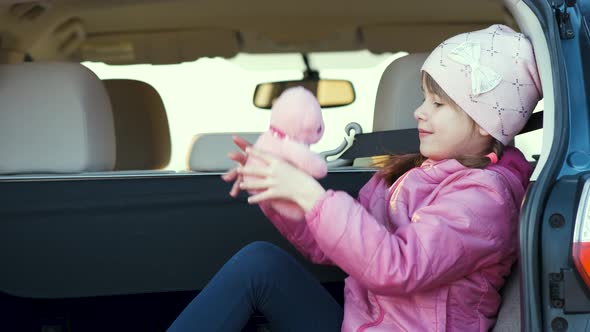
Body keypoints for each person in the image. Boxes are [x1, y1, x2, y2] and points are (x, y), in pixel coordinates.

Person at [168, 24, 542, 331]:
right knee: (260, 262)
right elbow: (331, 246)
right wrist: (281, 193)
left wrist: (312, 195)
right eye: (423, 98)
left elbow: (395, 267)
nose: (418, 112)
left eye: (438, 104)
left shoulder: (484, 198)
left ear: (485, 123)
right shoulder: (407, 173)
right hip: (358, 325)